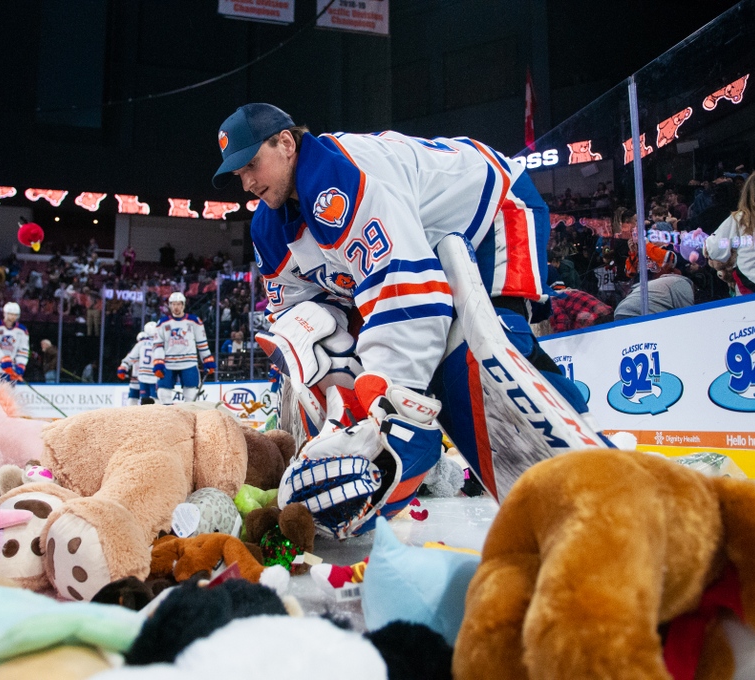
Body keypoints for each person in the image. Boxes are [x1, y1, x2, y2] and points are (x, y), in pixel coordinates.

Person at [212, 103, 588, 537]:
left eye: (252, 165)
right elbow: (306, 317)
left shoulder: (339, 176)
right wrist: (346, 405)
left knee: (480, 352)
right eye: (238, 175)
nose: (248, 183)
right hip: (423, 242)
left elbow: (405, 289)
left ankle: (578, 442)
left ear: (286, 142)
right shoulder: (268, 226)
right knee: (332, 345)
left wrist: (393, 408)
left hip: (492, 211)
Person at [152, 292, 214, 404]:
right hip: (169, 364)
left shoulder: (194, 321)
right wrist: (158, 362)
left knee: (191, 394)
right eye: (173, 304)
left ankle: (188, 418)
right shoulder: (162, 323)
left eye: (179, 304)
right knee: (162, 392)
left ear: (183, 305)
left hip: (188, 363)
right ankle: (168, 419)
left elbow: (202, 343)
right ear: (170, 305)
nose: (176, 307)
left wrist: (207, 359)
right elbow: (158, 345)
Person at [118, 322, 159, 404]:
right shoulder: (160, 343)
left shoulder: (141, 344)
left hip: (142, 376)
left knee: (143, 400)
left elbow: (130, 357)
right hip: (156, 375)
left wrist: (123, 367)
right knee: (156, 400)